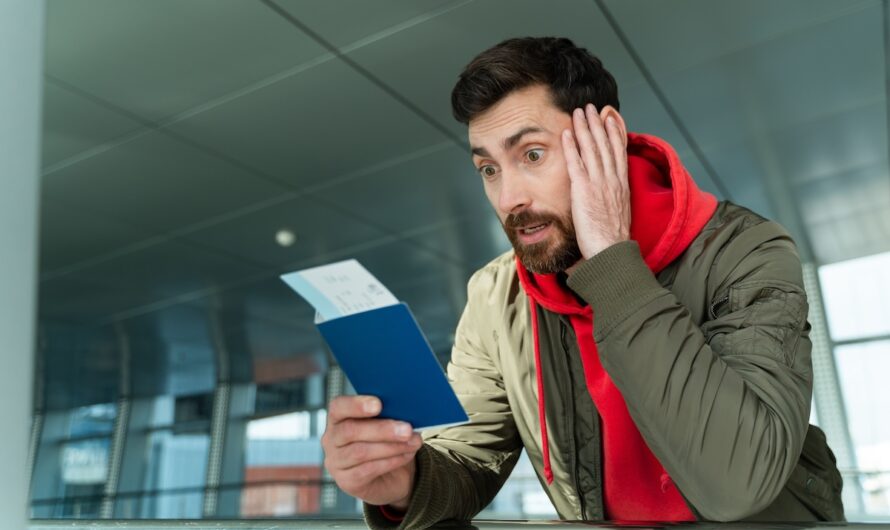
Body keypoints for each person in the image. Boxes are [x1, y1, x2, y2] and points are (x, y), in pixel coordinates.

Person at [320, 37, 845, 528]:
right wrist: (403, 485)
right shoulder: (495, 295)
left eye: (531, 155)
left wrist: (612, 261)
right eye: (488, 169)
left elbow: (739, 481)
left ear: (607, 139)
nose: (508, 199)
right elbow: (470, 457)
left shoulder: (746, 250)